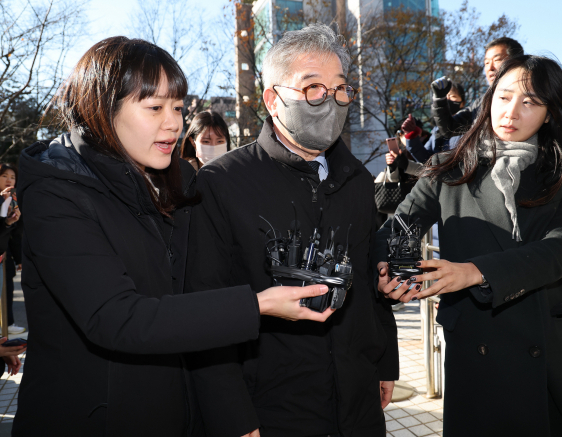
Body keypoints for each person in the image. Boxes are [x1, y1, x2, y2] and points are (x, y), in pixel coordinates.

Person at [14, 36, 336, 437]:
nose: (173, 122)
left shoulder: (179, 179)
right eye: (154, 108)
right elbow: (116, 317)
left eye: (179, 107)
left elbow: (195, 291)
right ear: (101, 110)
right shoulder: (57, 192)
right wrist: (256, 306)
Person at [374, 55, 562, 436]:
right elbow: (399, 226)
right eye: (504, 96)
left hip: (547, 347)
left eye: (530, 102)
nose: (511, 111)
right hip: (475, 342)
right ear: (489, 98)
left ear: (550, 113)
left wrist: (475, 272)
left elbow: (560, 249)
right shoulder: (450, 165)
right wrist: (385, 271)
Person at [187, 23, 398, 437]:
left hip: (358, 403)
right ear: (272, 99)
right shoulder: (221, 182)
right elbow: (204, 305)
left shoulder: (356, 180)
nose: (331, 100)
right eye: (313, 87)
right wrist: (232, 413)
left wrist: (383, 360)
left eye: (340, 88)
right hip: (271, 407)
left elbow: (370, 284)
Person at [430, 37, 524, 140]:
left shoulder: (531, 97)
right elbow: (450, 129)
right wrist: (439, 100)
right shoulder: (481, 103)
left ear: (517, 62)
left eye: (497, 60)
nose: (490, 68)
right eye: (486, 63)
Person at [403, 83, 467, 164]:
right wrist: (412, 136)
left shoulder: (467, 126)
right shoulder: (437, 129)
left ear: (462, 103)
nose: (447, 99)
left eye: (453, 96)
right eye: (445, 96)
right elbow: (426, 160)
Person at [0, 163, 25, 334]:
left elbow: (15, 234)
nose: (9, 180)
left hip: (5, 255)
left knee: (7, 288)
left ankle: (7, 324)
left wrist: (19, 258)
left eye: (12, 177)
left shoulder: (15, 200)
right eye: (4, 176)